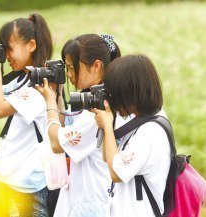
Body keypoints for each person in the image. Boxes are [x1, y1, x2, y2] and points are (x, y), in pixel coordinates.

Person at [0, 13, 53, 216]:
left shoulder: (42, 84)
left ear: (31, 45)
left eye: (10, 48)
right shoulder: (20, 79)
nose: (6, 55)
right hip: (5, 178)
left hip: (29, 189)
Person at [35, 33, 121, 216]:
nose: (69, 75)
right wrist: (56, 92)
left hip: (93, 200)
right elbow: (63, 125)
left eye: (72, 68)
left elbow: (57, 143)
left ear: (96, 65)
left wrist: (49, 102)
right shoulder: (95, 98)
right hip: (87, 197)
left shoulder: (99, 109)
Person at [92, 54, 171, 216]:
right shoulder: (143, 120)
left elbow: (116, 172)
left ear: (129, 92)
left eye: (114, 93)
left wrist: (107, 126)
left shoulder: (150, 132)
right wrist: (109, 124)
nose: (112, 100)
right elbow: (109, 158)